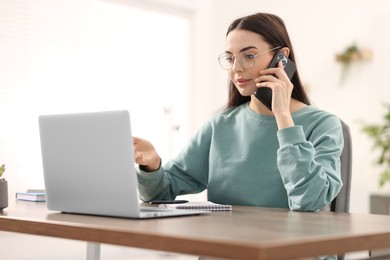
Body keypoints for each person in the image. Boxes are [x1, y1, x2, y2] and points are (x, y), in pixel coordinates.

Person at [134, 12, 343, 213]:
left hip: (290, 248)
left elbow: (309, 200)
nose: (236, 68)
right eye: (230, 58)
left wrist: (282, 116)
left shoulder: (324, 125)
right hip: (229, 247)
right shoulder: (220, 125)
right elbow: (160, 192)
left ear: (282, 57)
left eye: (249, 56)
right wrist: (152, 164)